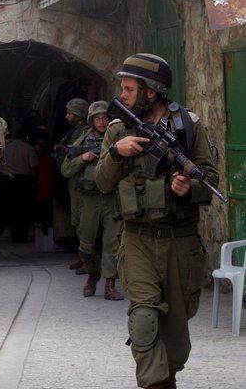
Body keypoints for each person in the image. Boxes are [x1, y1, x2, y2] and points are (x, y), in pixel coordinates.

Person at [95, 53, 218, 389]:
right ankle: (155, 383)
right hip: (137, 239)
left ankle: (168, 375)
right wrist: (116, 153)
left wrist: (187, 187)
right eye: (122, 88)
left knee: (176, 329)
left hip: (180, 239)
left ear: (151, 91)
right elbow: (102, 184)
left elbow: (210, 181)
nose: (122, 95)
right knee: (144, 317)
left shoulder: (190, 126)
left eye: (130, 89)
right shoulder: (118, 129)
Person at [60, 101, 124, 301]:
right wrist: (83, 158)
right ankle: (92, 273)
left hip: (111, 198)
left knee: (112, 243)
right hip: (89, 199)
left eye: (105, 118)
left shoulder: (117, 139)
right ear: (91, 120)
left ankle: (110, 284)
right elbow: (66, 170)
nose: (102, 122)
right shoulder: (82, 140)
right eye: (98, 118)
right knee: (85, 245)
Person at [54, 98, 90, 271]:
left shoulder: (84, 133)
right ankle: (82, 257)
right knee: (77, 221)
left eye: (70, 113)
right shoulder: (74, 132)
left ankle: (88, 260)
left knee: (83, 223)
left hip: (81, 182)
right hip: (74, 182)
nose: (67, 116)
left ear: (80, 115)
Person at [0, 130, 38, 243]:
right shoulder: (28, 148)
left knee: (11, 207)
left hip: (8, 180)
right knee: (23, 208)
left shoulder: (6, 148)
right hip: (23, 180)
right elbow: (33, 167)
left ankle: (14, 233)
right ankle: (23, 234)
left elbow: (0, 165)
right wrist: (34, 182)